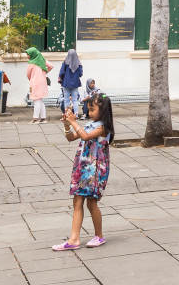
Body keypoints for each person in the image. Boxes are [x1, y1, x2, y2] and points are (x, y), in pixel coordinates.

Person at [53, 95, 114, 251]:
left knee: (91, 202)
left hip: (95, 170)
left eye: (92, 109)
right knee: (77, 201)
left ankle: (99, 236)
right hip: (82, 166)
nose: (89, 112)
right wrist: (67, 125)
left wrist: (74, 122)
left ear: (103, 111)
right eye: (88, 109)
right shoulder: (89, 125)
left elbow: (85, 136)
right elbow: (71, 137)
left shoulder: (102, 128)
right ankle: (74, 239)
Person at [25, 46, 52, 124]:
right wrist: (45, 72)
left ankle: (35, 119)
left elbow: (28, 75)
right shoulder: (42, 60)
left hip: (34, 84)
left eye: (28, 54)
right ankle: (43, 118)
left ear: (32, 54)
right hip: (43, 83)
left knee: (36, 100)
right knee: (40, 100)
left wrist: (32, 79)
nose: (27, 56)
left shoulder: (31, 63)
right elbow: (51, 66)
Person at [59, 49, 83, 117]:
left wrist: (61, 78)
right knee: (75, 100)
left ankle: (67, 114)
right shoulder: (79, 64)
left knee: (66, 100)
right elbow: (81, 74)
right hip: (75, 84)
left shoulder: (65, 63)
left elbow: (61, 73)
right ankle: (76, 114)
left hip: (66, 83)